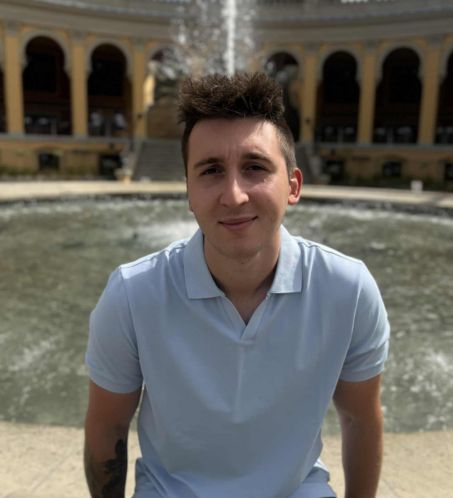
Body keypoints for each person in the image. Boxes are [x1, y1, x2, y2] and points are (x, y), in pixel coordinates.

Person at [84, 72, 390, 498]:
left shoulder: (347, 289)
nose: (234, 195)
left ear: (293, 185)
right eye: (211, 171)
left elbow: (360, 418)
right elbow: (108, 426)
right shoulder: (133, 294)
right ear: (189, 192)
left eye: (255, 167)